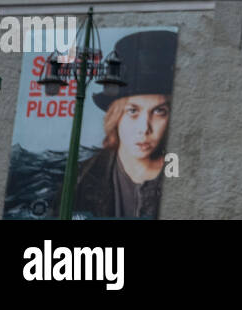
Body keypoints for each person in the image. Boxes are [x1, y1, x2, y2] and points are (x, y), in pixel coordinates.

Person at [71, 30, 177, 219]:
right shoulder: (81, 178)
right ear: (116, 116)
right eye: (133, 111)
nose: (144, 129)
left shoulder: (181, 172)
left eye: (159, 111)